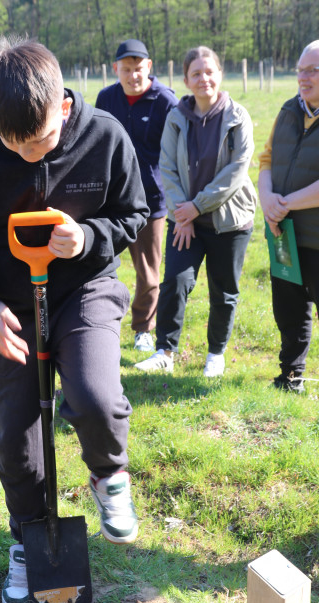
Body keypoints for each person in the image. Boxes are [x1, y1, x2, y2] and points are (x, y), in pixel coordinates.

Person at [0, 38, 149, 603]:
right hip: (10, 308)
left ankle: (109, 476)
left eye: (42, 140)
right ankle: (28, 539)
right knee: (16, 441)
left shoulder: (105, 137)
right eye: (14, 144)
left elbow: (134, 213)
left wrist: (90, 237)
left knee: (96, 397)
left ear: (65, 107)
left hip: (84, 291)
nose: (29, 154)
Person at [136, 46, 256, 377]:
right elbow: (167, 167)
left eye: (209, 72)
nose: (204, 78)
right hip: (186, 221)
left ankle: (216, 353)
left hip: (229, 221)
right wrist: (183, 214)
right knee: (175, 282)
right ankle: (165, 352)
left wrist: (195, 207)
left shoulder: (238, 116)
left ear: (220, 75)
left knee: (223, 290)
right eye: (196, 73)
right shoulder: (176, 117)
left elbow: (236, 171)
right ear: (186, 81)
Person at [96, 39, 178, 354]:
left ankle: (143, 328)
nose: (133, 76)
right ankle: (99, 322)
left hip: (149, 202)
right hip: (109, 200)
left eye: (138, 69)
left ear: (149, 67)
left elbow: (177, 152)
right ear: (115, 69)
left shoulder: (165, 101)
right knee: (98, 263)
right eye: (126, 69)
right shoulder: (106, 98)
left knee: (148, 273)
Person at [258, 41, 319, 393]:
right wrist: (267, 199)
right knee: (288, 309)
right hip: (285, 235)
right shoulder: (287, 110)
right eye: (300, 70)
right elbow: (267, 159)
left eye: (312, 70)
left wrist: (285, 203)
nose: (303, 77)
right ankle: (291, 376)